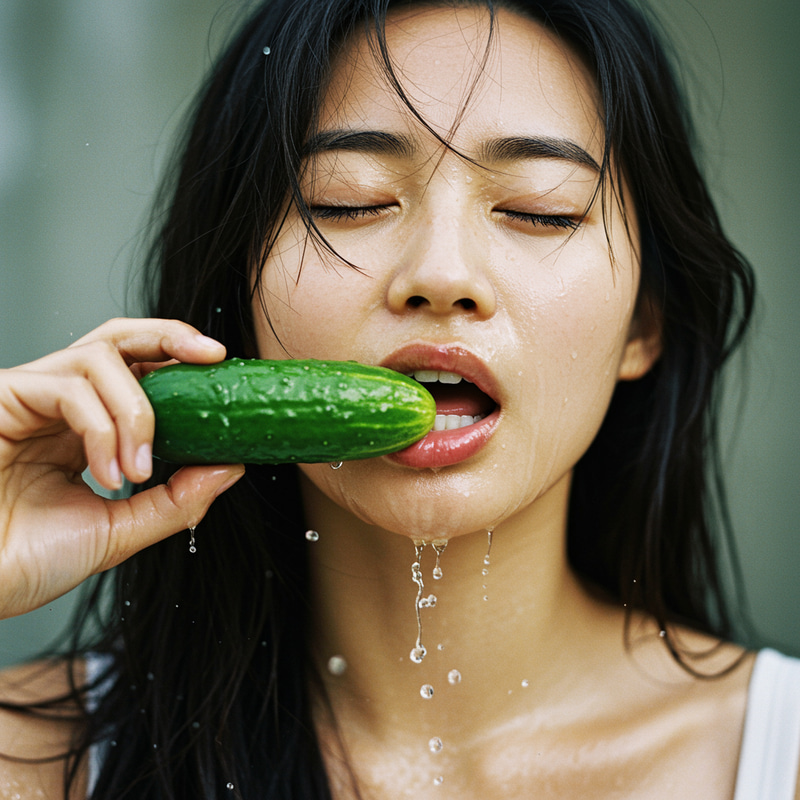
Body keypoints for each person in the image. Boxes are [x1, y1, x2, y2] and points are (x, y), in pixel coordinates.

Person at [0, 0, 796, 797]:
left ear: (643, 324)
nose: (441, 275)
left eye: (540, 210)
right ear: (236, 296)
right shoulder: (27, 759)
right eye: (348, 200)